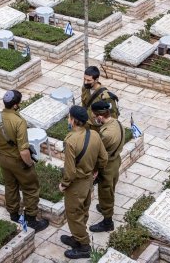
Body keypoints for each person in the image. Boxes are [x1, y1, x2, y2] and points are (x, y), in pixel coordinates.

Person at [0, 90, 49, 232]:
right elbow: (24, 151)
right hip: (18, 161)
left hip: (3, 159)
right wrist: (29, 163)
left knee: (10, 186)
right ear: (16, 105)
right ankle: (31, 220)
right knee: (30, 188)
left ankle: (13, 214)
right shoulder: (19, 122)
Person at [60, 105, 107, 259]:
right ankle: (77, 237)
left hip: (76, 184)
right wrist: (96, 170)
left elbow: (70, 171)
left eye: (69, 117)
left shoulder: (70, 141)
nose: (68, 119)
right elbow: (104, 158)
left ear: (73, 120)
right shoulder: (94, 134)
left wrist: (64, 184)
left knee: (73, 214)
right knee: (83, 210)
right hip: (88, 181)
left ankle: (84, 246)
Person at [89, 99, 125, 232]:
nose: (94, 119)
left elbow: (100, 154)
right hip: (116, 161)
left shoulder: (106, 134)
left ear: (99, 116)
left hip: (107, 165)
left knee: (105, 192)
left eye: (94, 116)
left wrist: (95, 169)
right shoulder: (116, 122)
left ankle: (107, 221)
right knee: (111, 187)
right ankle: (105, 207)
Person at [81, 66, 119, 132]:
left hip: (98, 129)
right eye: (84, 79)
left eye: (89, 80)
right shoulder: (85, 88)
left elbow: (113, 117)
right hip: (86, 125)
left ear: (96, 80)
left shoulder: (106, 97)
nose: (85, 82)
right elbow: (84, 105)